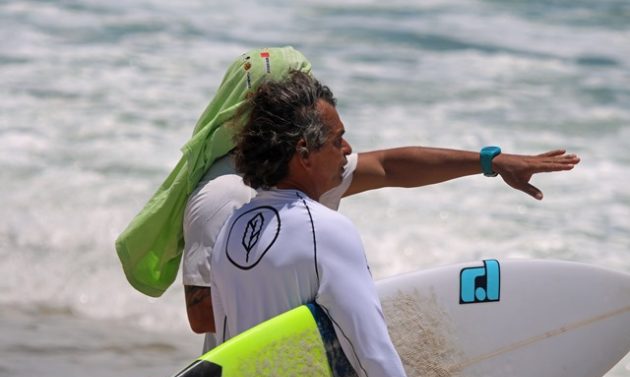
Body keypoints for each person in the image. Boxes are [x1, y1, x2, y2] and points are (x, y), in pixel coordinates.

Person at [179, 48, 580, 355]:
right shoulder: (225, 194)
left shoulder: (301, 170)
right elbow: (201, 315)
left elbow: (390, 166)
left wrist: (490, 161)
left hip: (303, 364)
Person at [211, 70, 420, 377]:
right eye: (338, 139)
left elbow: (227, 351)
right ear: (304, 152)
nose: (348, 150)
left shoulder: (229, 231)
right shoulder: (324, 229)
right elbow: (372, 353)